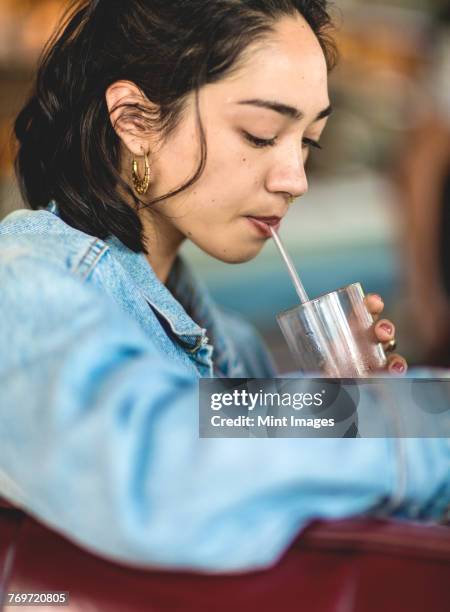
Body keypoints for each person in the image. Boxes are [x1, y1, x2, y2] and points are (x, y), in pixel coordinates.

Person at [0, 0, 448, 572]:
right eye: (262, 134)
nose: (296, 180)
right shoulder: (26, 279)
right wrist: (401, 420)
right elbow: (158, 471)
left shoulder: (232, 345)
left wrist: (350, 410)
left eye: (307, 142)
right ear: (135, 122)